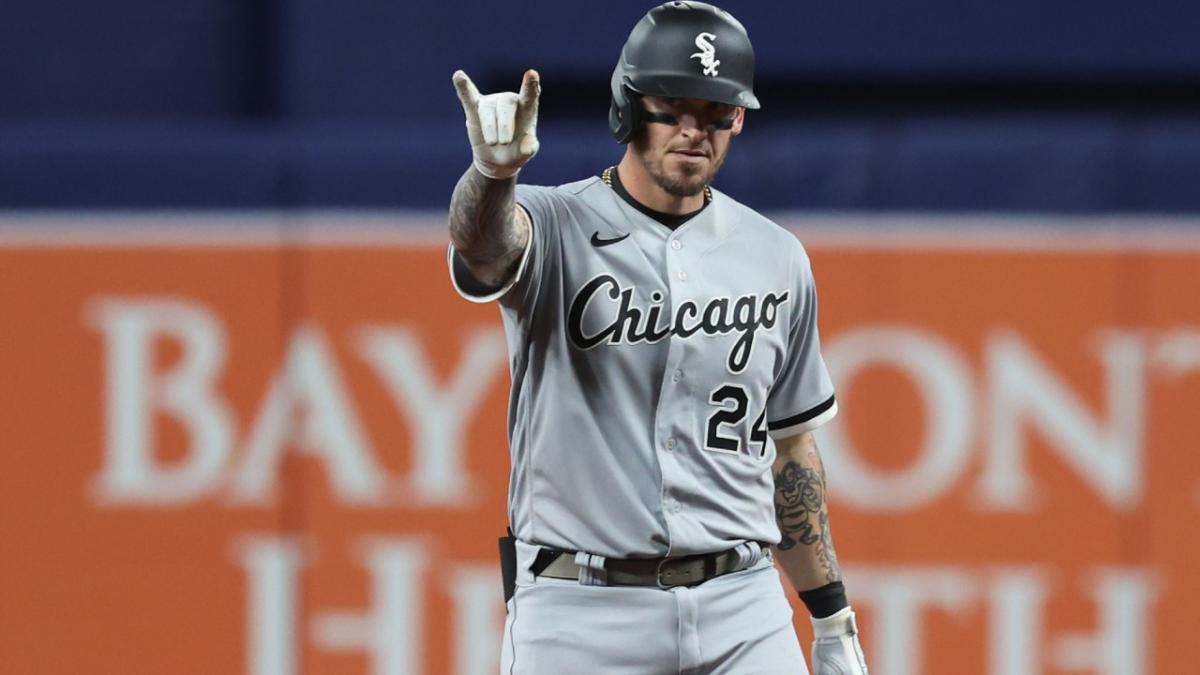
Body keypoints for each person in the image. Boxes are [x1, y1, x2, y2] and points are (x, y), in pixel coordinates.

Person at [446, 2, 869, 673]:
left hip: (742, 602)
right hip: (579, 609)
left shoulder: (776, 254)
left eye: (716, 111)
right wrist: (492, 178)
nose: (694, 129)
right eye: (673, 106)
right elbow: (486, 247)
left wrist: (831, 615)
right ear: (628, 107)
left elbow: (792, 454)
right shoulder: (555, 222)